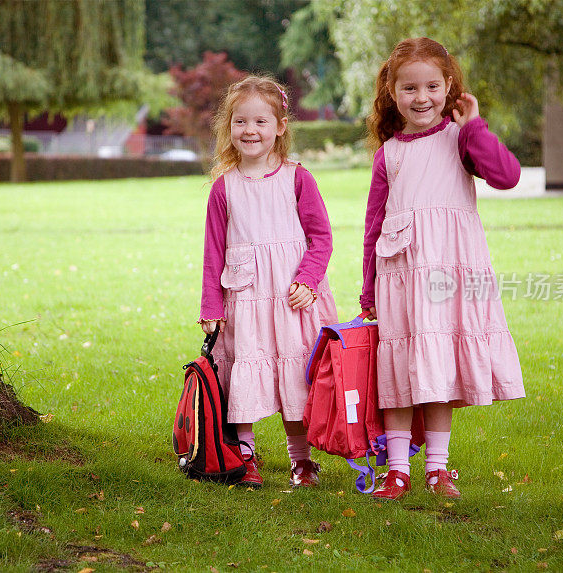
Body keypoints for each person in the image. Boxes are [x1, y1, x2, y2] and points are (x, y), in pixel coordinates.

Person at [361, 37, 526, 500]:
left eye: (432, 86)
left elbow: (507, 175)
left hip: (447, 277)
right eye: (410, 88)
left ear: (449, 86)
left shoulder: (461, 139)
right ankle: (397, 471)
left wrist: (474, 126)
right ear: (392, 92)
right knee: (396, 370)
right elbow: (374, 228)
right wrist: (367, 290)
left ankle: (437, 469)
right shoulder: (388, 154)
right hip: (399, 276)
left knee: (437, 368)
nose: (422, 98)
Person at [199, 76, 338, 488]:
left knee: (296, 378)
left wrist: (309, 280)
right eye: (241, 122)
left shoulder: (298, 178)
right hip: (245, 300)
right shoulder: (223, 188)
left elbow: (322, 237)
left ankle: (302, 461)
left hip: (292, 299)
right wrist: (210, 307)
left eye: (260, 121)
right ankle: (244, 456)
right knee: (244, 374)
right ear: (229, 128)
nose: (250, 130)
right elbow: (213, 253)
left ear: (279, 127)